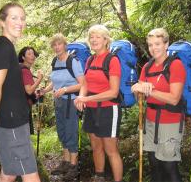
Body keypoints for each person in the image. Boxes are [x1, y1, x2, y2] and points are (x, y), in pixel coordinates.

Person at [0, 2, 41, 182]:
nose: (19, 22)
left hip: (10, 122)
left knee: (9, 173)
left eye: (22, 18)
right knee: (31, 176)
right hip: (12, 124)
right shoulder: (3, 47)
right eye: (14, 18)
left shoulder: (5, 47)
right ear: (2, 21)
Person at [131, 28, 186, 182]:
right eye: (150, 45)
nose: (153, 48)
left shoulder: (175, 65)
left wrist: (150, 91)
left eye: (157, 44)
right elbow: (140, 96)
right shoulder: (148, 67)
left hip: (170, 122)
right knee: (154, 164)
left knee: (169, 166)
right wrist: (136, 89)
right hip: (150, 122)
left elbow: (174, 98)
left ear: (166, 44)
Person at [74, 24, 123, 182]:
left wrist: (86, 99)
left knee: (111, 150)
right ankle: (99, 176)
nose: (94, 40)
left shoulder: (112, 60)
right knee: (96, 147)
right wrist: (81, 97)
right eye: (91, 37)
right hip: (91, 110)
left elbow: (113, 92)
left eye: (97, 37)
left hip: (109, 109)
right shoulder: (90, 59)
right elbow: (85, 84)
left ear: (106, 39)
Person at [40, 33, 85, 181]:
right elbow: (55, 81)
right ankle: (65, 162)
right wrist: (45, 90)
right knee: (62, 132)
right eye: (54, 45)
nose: (57, 47)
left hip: (71, 102)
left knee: (71, 131)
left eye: (59, 44)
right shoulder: (55, 61)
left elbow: (83, 84)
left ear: (65, 45)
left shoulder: (73, 61)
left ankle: (73, 166)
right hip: (59, 102)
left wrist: (65, 90)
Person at [18, 46, 43, 134]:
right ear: (23, 57)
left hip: (18, 106)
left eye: (33, 54)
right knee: (24, 133)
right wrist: (39, 79)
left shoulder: (19, 68)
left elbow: (25, 90)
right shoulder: (25, 71)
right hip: (22, 107)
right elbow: (28, 90)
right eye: (29, 54)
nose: (32, 56)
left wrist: (35, 94)